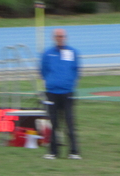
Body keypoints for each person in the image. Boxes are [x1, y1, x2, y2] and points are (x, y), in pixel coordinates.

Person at [39, 28, 81, 160]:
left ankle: (74, 151)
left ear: (66, 37)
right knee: (54, 123)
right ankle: (53, 152)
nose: (60, 38)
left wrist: (68, 83)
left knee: (70, 122)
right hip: (52, 93)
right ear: (54, 38)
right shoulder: (47, 54)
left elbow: (76, 70)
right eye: (58, 36)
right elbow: (43, 71)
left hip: (67, 92)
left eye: (62, 36)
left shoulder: (72, 52)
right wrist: (51, 82)